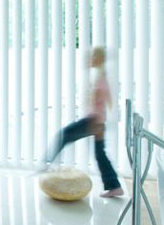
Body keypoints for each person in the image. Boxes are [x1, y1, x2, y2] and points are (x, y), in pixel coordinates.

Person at [45, 46, 124, 198]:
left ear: (99, 59)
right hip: (97, 121)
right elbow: (108, 102)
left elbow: (99, 100)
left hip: (93, 121)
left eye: (94, 56)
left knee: (65, 134)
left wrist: (94, 106)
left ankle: (48, 164)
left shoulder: (100, 80)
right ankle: (114, 186)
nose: (91, 58)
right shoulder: (102, 77)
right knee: (100, 154)